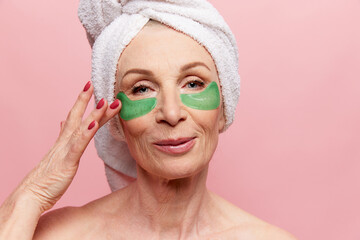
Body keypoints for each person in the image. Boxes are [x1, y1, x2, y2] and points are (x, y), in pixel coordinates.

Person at [0, 1, 297, 239]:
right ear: (116, 119)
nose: (171, 113)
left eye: (193, 83)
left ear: (224, 105)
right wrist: (32, 193)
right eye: (142, 88)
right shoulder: (65, 234)